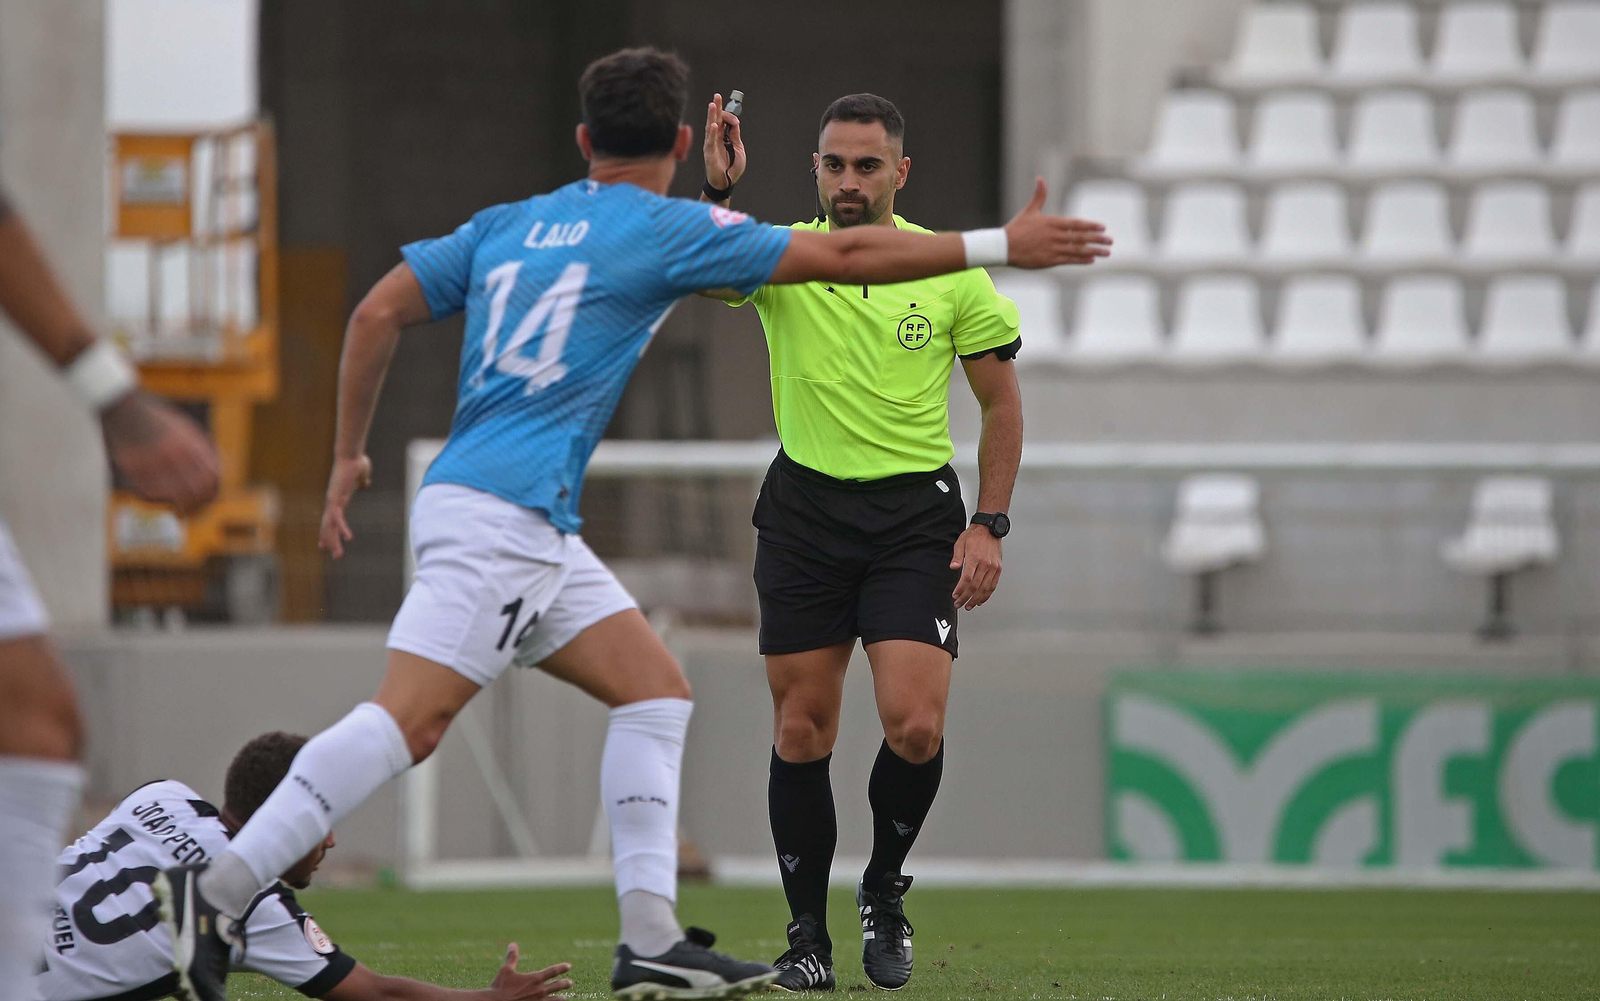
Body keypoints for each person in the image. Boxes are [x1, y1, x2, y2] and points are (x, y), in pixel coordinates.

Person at [153, 47, 1110, 1001]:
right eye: (835, 165)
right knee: (410, 721)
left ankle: (652, 936)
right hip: (509, 515)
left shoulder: (510, 222)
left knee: (655, 690)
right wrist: (1000, 242)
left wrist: (347, 456)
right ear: (684, 141)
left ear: (582, 140)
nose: (848, 182)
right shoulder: (663, 231)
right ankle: (223, 891)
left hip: (516, 508)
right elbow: (849, 255)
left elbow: (373, 315)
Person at [698, 92, 1092, 991]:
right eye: (834, 164)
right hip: (804, 515)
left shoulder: (950, 273)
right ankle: (807, 936)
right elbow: (704, 269)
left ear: (899, 173)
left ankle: (882, 889)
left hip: (914, 518)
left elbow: (1001, 404)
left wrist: (988, 522)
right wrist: (718, 191)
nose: (848, 180)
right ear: (815, 170)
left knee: (914, 724)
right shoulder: (784, 256)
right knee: (803, 728)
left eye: (866, 165)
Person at [0, 181, 220, 1001]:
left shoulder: (164, 801)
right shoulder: (202, 838)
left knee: (38, 725)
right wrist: (116, 398)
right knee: (35, 727)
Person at [35, 732, 573, 1001]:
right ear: (282, 822)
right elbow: (375, 994)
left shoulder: (160, 796)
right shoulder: (254, 904)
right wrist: (490, 999)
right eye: (320, 822)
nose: (333, 840)